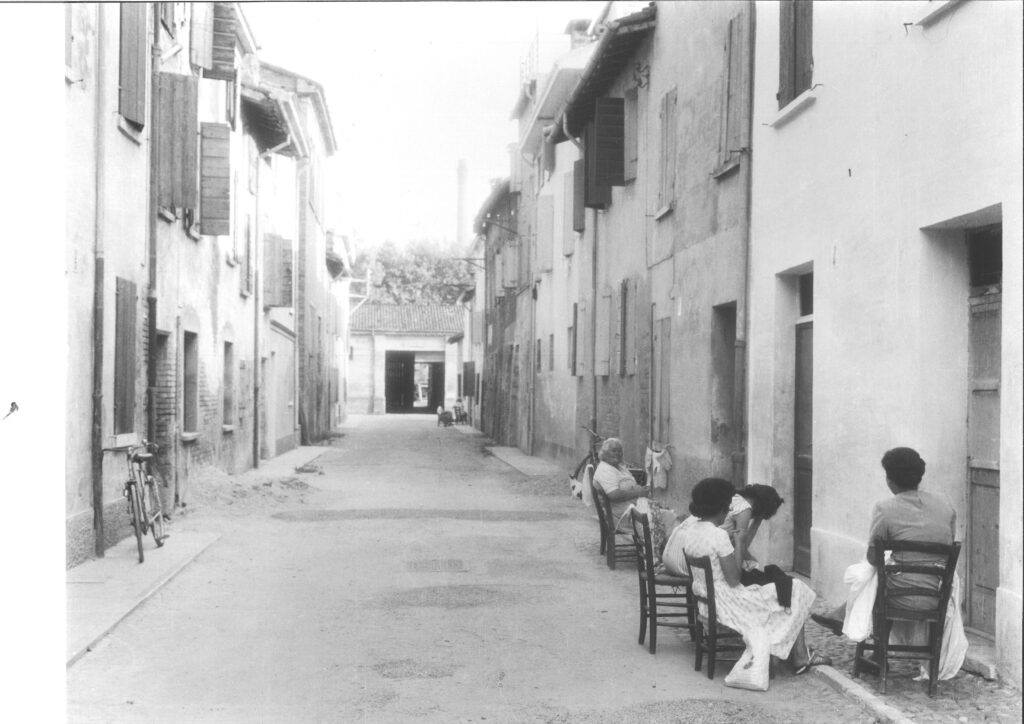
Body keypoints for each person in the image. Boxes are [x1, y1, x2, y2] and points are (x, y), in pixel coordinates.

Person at [676, 477, 830, 674]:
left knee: (785, 589)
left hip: (706, 602)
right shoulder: (718, 536)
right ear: (722, 508)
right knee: (795, 588)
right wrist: (739, 542)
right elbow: (734, 579)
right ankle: (798, 656)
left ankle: (795, 653)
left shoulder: (691, 531)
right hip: (728, 603)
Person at [812, 446, 957, 633]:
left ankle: (846, 620)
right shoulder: (945, 504)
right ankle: (841, 616)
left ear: (889, 479)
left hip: (899, 594)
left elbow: (873, 558)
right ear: (919, 476)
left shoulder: (885, 508)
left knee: (874, 573)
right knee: (883, 571)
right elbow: (950, 542)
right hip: (938, 591)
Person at [721, 484, 794, 609]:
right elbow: (741, 545)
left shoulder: (736, 498)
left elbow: (740, 544)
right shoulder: (745, 508)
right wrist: (757, 522)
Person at [592, 438, 651, 531]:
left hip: (633, 509)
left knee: (665, 515)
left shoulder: (619, 467)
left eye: (620, 451)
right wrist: (638, 492)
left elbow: (632, 485)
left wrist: (641, 490)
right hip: (623, 516)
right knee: (663, 518)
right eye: (614, 450)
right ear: (604, 453)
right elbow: (614, 495)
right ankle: (655, 543)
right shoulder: (605, 470)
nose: (618, 453)